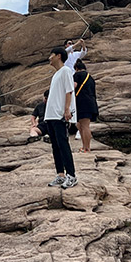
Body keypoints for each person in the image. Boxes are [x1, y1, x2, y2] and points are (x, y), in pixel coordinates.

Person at [44, 47, 78, 188]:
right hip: (51, 115)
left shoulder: (66, 71)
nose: (49, 58)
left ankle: (71, 175)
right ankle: (60, 174)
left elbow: (69, 91)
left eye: (51, 54)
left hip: (59, 115)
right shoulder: (56, 74)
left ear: (58, 56)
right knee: (55, 146)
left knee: (63, 144)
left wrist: (67, 109)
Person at [73, 60, 98, 153]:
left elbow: (74, 86)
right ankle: (84, 146)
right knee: (80, 125)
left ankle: (87, 148)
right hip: (91, 103)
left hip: (82, 103)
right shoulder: (90, 78)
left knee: (84, 126)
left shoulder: (77, 75)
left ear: (76, 68)